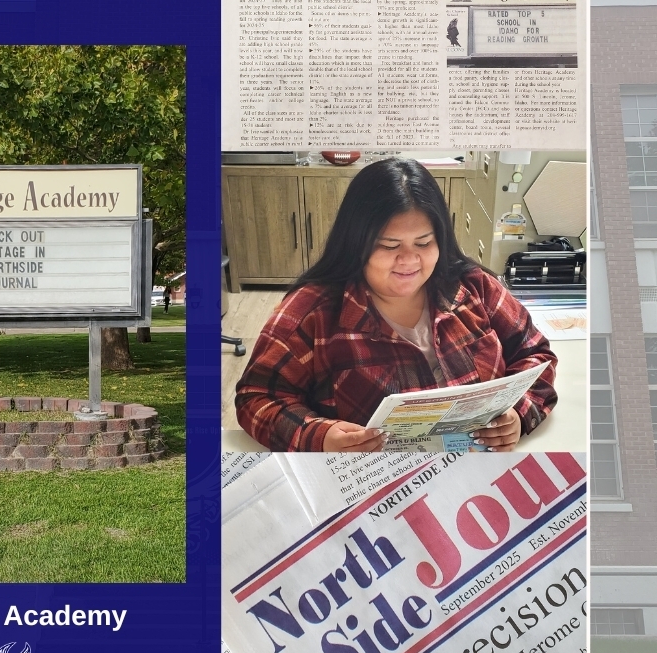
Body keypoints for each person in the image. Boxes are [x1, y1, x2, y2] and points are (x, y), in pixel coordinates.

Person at [235, 158, 557, 453]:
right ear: (357, 242)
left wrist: (518, 413)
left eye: (424, 243)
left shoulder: (472, 285)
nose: (409, 260)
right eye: (389, 246)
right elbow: (256, 397)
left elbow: (536, 354)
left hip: (478, 478)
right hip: (375, 492)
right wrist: (318, 436)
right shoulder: (313, 310)